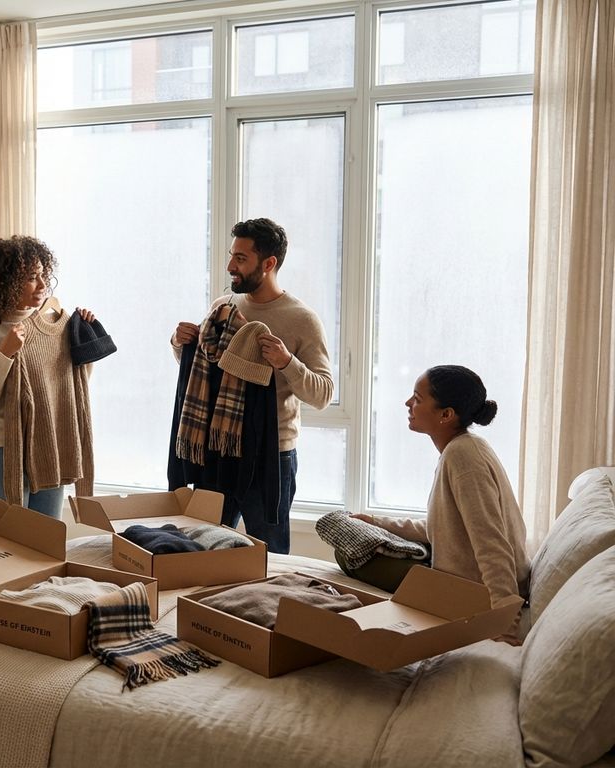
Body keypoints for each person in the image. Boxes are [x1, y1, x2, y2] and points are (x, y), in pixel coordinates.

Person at [172, 218, 333, 552]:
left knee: (270, 554)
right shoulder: (223, 307)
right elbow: (207, 371)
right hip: (218, 448)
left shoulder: (301, 319)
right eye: (232, 256)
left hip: (270, 456)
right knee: (202, 546)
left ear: (269, 263)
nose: (231, 265)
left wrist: (286, 361)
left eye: (241, 259)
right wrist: (180, 344)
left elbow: (322, 393)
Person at [351, 365, 529, 635]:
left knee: (349, 554)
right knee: (355, 534)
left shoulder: (463, 457)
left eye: (418, 399)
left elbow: (491, 542)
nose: (408, 403)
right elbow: (444, 527)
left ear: (446, 414)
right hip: (466, 581)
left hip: (472, 593)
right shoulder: (464, 448)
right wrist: (377, 523)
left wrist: (506, 623)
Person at [0, 235, 96, 519]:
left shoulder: (53, 325)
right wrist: (4, 354)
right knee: (3, 550)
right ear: (5, 281)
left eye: (43, 275)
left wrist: (86, 343)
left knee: (45, 549)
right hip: (0, 454)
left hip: (49, 449)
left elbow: (69, 386)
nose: (43, 285)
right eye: (32, 277)